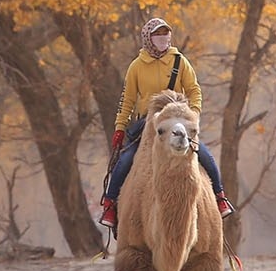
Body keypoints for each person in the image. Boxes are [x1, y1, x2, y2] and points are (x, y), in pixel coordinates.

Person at [98, 16, 234, 230]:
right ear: (148, 38)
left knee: (204, 155)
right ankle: (110, 206)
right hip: (148, 124)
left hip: (177, 120)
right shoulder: (136, 66)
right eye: (157, 34)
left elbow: (194, 91)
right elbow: (128, 100)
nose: (162, 38)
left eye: (165, 33)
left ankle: (220, 197)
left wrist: (193, 115)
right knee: (124, 161)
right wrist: (120, 128)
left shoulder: (180, 61)